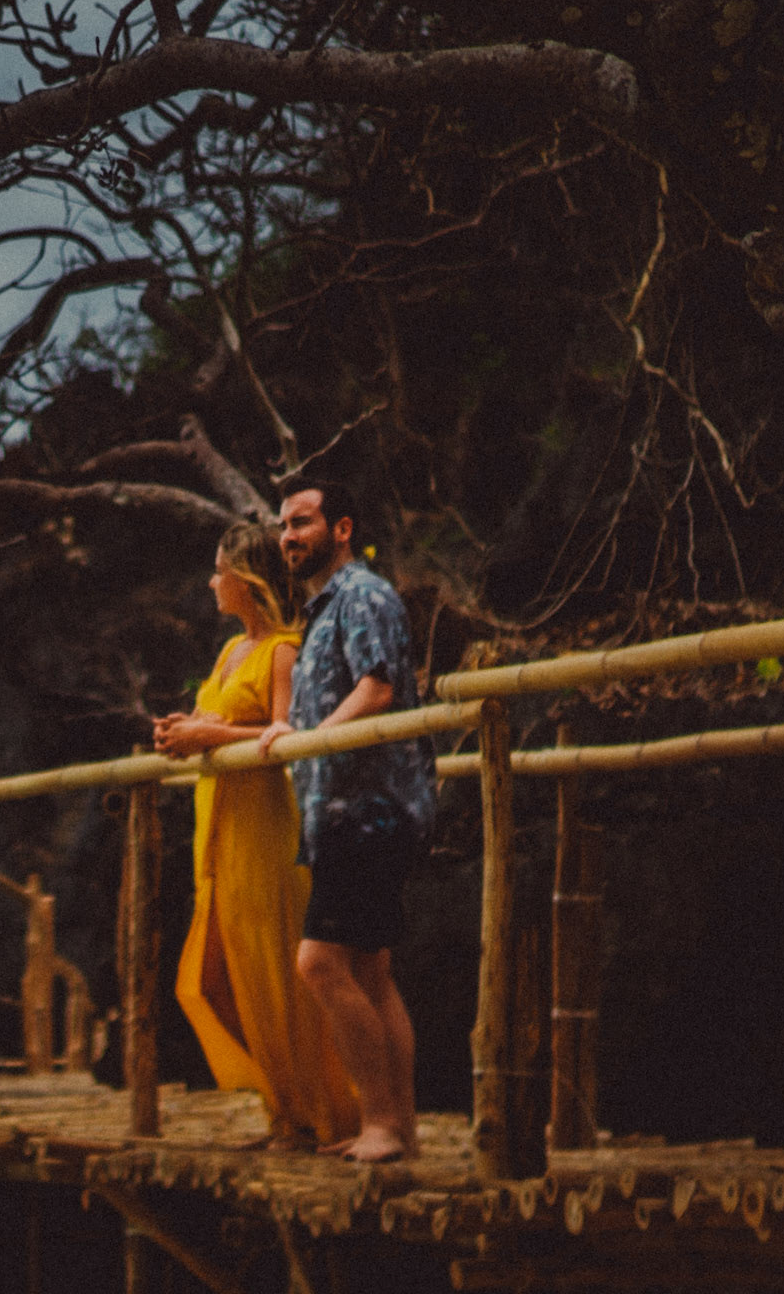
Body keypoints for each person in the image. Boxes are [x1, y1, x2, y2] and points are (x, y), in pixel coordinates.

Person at [153, 521, 359, 1148]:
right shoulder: (229, 652)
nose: (211, 582)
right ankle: (281, 1110)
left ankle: (317, 1116)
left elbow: (284, 733)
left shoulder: (285, 651)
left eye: (219, 571)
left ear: (245, 581)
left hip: (266, 830)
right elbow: (215, 720)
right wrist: (180, 730)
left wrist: (205, 736)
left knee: (274, 970)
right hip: (218, 829)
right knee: (225, 974)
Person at [258, 479, 436, 1164]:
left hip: (369, 810)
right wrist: (288, 734)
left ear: (341, 528)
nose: (288, 536)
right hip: (344, 810)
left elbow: (378, 686)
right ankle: (400, 1129)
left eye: (301, 522)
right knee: (368, 968)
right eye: (283, 526)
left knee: (320, 962)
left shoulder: (363, 594)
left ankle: (384, 1125)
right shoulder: (323, 608)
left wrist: (312, 738)